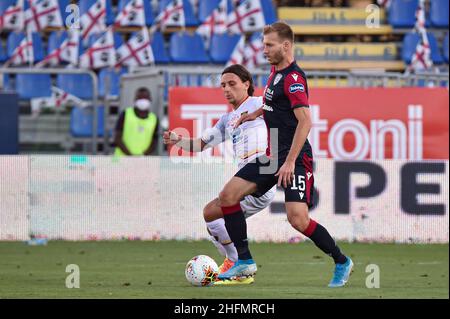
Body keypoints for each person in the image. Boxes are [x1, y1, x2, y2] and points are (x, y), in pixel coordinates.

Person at [216, 21, 353, 287]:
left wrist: (290, 162)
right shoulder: (275, 72)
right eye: (263, 44)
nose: (263, 50)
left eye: (269, 45)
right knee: (227, 196)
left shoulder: (293, 79)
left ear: (286, 46)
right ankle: (244, 261)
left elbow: (305, 122)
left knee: (298, 220)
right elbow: (271, 104)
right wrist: (253, 114)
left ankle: (341, 261)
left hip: (296, 158)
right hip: (272, 155)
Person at [163, 64, 276, 285]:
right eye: (223, 85)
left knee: (216, 210)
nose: (226, 89)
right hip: (247, 181)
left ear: (247, 84)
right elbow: (201, 144)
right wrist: (178, 141)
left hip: (262, 172)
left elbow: (281, 105)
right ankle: (237, 264)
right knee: (212, 216)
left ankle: (238, 263)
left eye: (232, 84)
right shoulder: (227, 120)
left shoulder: (258, 104)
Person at [114, 87, 159, 156]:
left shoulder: (154, 119)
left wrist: (142, 156)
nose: (143, 101)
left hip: (142, 161)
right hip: (121, 159)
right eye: (140, 98)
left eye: (145, 98)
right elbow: (117, 138)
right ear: (135, 100)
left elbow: (154, 142)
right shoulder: (125, 114)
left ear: (150, 99)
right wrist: (130, 156)